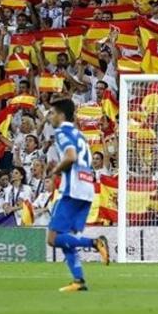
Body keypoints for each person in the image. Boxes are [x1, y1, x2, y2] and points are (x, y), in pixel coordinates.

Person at [46, 99, 110, 293]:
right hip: (87, 188)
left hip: (72, 189)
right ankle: (78, 280)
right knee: (67, 237)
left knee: (53, 238)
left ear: (61, 115)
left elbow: (71, 156)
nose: (49, 117)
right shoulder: (79, 134)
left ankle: (94, 242)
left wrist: (55, 171)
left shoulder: (62, 133)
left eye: (52, 113)